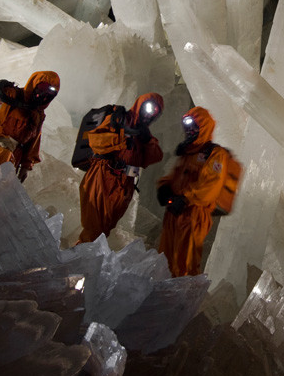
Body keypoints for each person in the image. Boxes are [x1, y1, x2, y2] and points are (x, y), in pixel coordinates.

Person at [76, 93, 164, 244]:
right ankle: (78, 260)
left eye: (155, 112)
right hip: (103, 177)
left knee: (104, 230)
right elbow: (96, 141)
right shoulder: (118, 119)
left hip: (124, 186)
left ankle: (85, 260)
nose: (150, 114)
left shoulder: (144, 134)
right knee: (93, 229)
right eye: (149, 108)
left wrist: (146, 139)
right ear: (140, 105)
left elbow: (155, 156)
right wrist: (123, 136)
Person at [156, 106, 233, 277]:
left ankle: (181, 301)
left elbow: (211, 186)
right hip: (174, 213)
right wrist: (164, 187)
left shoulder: (214, 154)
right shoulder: (187, 153)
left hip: (194, 215)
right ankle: (163, 299)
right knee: (165, 262)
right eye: (187, 128)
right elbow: (173, 175)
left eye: (193, 127)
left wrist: (185, 198)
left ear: (203, 127)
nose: (189, 132)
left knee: (185, 264)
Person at [0, 71, 60, 182]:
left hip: (11, 159)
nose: (43, 94)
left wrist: (25, 166)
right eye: (42, 88)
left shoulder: (38, 115)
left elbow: (33, 143)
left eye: (50, 93)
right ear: (34, 84)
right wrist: (1, 140)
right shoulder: (9, 95)